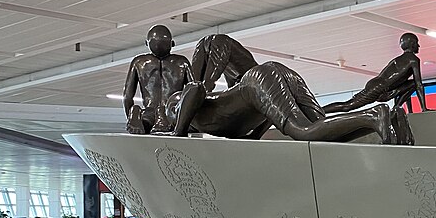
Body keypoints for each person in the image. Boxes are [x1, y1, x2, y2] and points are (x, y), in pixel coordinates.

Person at [169, 60, 397, 143]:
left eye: (173, 105)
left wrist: (177, 132)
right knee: (325, 136)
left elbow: (195, 88)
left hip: (258, 81)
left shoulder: (195, 108)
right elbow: (263, 112)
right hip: (273, 78)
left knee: (304, 132)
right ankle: (385, 120)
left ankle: (374, 116)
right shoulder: (207, 123)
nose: (173, 110)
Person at [322, 33, 430, 114]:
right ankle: (319, 111)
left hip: (378, 85)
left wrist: (410, 111)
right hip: (380, 88)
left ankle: (396, 109)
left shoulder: (397, 60)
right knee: (348, 106)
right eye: (416, 43)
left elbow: (407, 88)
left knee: (411, 84)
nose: (418, 46)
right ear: (412, 44)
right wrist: (424, 109)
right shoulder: (413, 59)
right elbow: (419, 84)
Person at [123, 25, 194, 134]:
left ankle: (136, 112)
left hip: (149, 112)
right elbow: (193, 92)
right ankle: (162, 115)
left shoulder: (138, 62)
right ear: (172, 44)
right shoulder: (182, 62)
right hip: (173, 112)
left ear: (147, 43)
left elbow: (127, 96)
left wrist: (128, 116)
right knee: (175, 118)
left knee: (146, 121)